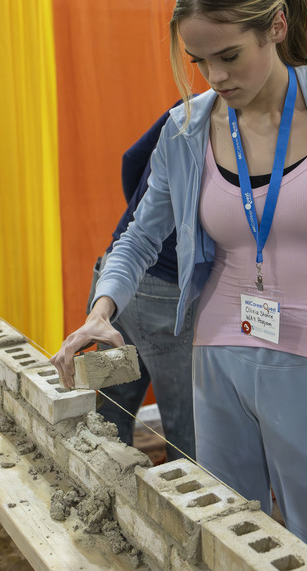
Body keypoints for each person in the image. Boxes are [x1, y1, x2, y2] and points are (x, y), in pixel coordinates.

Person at [53, 0, 307, 570]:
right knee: (229, 529)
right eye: (199, 61)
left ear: (275, 27)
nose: (216, 77)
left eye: (229, 56)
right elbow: (140, 235)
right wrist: (102, 307)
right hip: (217, 354)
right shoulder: (187, 128)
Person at [92, 106, 196, 462]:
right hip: (164, 292)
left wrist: (142, 223)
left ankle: (111, 506)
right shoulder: (227, 123)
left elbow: (131, 160)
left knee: (110, 414)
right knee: (188, 430)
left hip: (115, 272)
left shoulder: (186, 109)